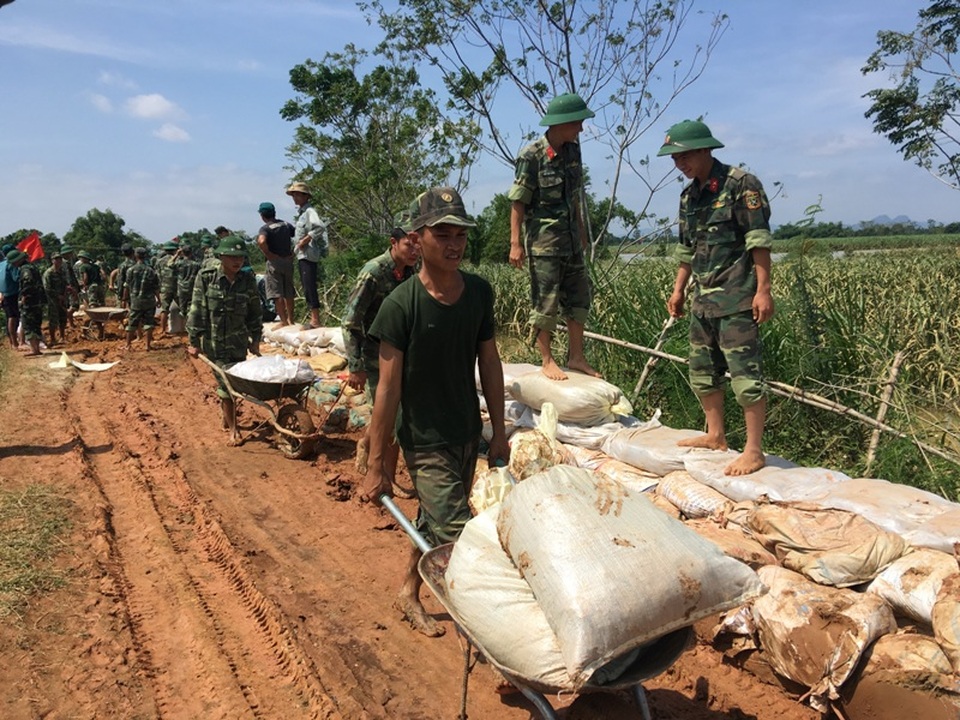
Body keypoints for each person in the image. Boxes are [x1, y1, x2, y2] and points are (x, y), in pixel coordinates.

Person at [360, 187, 509, 637]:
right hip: (423, 439)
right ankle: (492, 635)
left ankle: (408, 590)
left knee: (433, 521)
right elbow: (387, 389)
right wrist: (376, 462)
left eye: (460, 235)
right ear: (417, 238)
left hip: (465, 430)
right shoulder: (400, 305)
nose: (454, 244)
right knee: (459, 536)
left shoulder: (479, 293)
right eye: (442, 234)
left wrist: (498, 432)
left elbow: (491, 363)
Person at [658, 119, 775, 477]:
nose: (680, 164)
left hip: (737, 298)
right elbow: (686, 249)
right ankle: (715, 435)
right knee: (702, 373)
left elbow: (758, 238)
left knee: (745, 376)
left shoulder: (741, 185)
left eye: (685, 155)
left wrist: (763, 289)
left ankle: (754, 451)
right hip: (702, 300)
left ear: (706, 149)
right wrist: (679, 289)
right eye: (675, 159)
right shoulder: (689, 196)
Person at [507, 92, 600, 381]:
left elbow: (575, 196)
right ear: (561, 123)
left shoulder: (573, 151)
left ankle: (576, 356)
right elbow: (519, 201)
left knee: (580, 298)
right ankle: (547, 359)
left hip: (571, 241)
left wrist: (582, 231)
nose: (581, 129)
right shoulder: (532, 155)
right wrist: (515, 243)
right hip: (544, 244)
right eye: (577, 123)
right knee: (545, 302)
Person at [342, 220, 420, 478]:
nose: (414, 251)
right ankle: (385, 474)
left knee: (399, 414)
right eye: (409, 245)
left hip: (404, 354)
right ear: (393, 242)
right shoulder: (374, 273)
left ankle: (369, 445)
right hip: (376, 355)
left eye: (418, 246)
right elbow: (350, 321)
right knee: (388, 415)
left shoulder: (411, 271)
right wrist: (356, 366)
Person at [186, 235, 263, 445]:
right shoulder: (206, 277)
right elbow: (197, 309)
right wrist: (193, 341)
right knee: (227, 386)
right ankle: (233, 429)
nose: (237, 261)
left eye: (240, 257)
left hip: (238, 343)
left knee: (234, 384)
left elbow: (255, 312)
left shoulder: (247, 280)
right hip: (214, 344)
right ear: (221, 256)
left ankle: (226, 416)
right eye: (232, 257)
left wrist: (255, 339)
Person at [286, 181, 328, 328]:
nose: (295, 198)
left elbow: (320, 227)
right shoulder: (302, 213)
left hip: (309, 254)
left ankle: (315, 320)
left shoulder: (310, 212)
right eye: (294, 195)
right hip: (302, 254)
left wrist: (307, 238)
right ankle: (313, 318)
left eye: (297, 195)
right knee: (306, 285)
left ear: (305, 196)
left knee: (309, 285)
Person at [255, 201, 296, 326]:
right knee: (289, 292)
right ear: (274, 213)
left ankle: (283, 321)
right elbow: (298, 235)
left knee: (277, 293)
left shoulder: (265, 228)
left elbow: (261, 241)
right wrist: (293, 252)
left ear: (262, 216)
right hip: (288, 261)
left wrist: (268, 254)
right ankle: (291, 320)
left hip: (274, 262)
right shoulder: (285, 224)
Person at [123, 247, 160, 351]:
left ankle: (128, 345)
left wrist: (125, 300)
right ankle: (147, 346)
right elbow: (156, 288)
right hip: (149, 301)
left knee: (132, 323)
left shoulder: (131, 270)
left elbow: (126, 286)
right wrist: (159, 300)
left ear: (135, 255)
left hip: (135, 301)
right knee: (149, 323)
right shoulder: (151, 270)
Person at [10, 250, 43, 356]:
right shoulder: (32, 267)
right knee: (36, 324)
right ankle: (36, 349)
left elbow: (28, 282)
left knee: (29, 324)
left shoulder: (25, 269)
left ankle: (34, 349)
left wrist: (24, 295)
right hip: (37, 299)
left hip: (30, 301)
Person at [42, 251, 69, 347]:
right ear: (52, 261)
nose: (59, 261)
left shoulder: (61, 272)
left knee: (63, 318)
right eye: (56, 259)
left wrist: (65, 295)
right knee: (53, 320)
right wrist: (58, 296)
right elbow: (47, 288)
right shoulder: (48, 273)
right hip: (52, 300)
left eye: (60, 259)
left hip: (62, 299)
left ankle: (62, 337)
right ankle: (53, 339)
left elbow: (65, 284)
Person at [157, 241, 180, 334]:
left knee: (164, 309)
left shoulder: (159, 261)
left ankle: (163, 329)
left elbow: (158, 275)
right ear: (175, 250)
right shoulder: (177, 260)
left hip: (164, 288)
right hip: (177, 287)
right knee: (184, 308)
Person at [0, 244, 20, 348]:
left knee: (10, 316)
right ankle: (18, 342)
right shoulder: (10, 264)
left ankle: (12, 342)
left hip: (4, 295)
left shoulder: (1, 264)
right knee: (16, 317)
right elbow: (16, 278)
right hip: (14, 293)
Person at [174, 244, 200, 321]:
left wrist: (177, 254)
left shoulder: (179, 263)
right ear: (191, 253)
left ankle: (185, 324)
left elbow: (170, 264)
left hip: (181, 288)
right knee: (191, 308)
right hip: (192, 288)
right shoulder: (196, 264)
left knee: (182, 310)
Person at [114, 243, 135, 308]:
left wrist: (120, 294)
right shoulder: (138, 263)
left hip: (126, 290)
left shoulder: (123, 265)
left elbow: (121, 280)